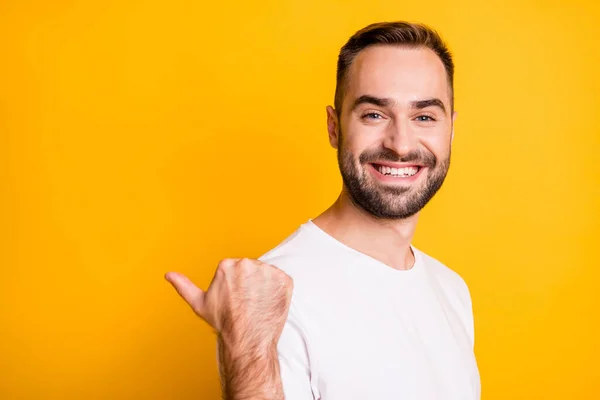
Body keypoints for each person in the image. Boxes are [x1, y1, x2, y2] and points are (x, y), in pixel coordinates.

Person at [166, 21, 481, 400]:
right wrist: (248, 341)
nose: (400, 144)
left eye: (425, 117)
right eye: (374, 115)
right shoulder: (272, 302)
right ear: (334, 128)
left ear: (451, 130)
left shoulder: (452, 290)